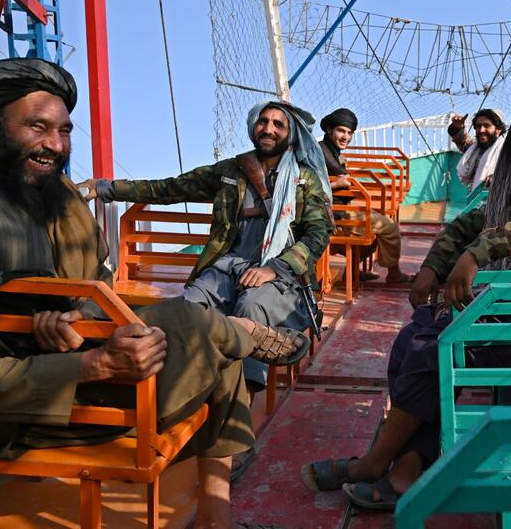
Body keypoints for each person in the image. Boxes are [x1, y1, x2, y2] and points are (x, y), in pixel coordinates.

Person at [0, 58, 309, 528]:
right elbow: (169, 187)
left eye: (63, 130)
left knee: (208, 338)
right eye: (37, 127)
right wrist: (98, 363)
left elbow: (94, 276)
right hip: (29, 404)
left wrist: (73, 317)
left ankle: (215, 515)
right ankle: (245, 333)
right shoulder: (232, 172)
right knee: (201, 325)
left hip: (72, 351)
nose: (55, 145)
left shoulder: (55, 196)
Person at [303, 108, 511, 508]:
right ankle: (405, 470)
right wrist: (433, 265)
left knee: (432, 348)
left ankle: (376, 464)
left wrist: (476, 255)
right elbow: (468, 224)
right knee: (413, 338)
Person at [79, 100, 334, 401]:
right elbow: (170, 188)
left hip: (280, 275)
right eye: (263, 121)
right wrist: (106, 188)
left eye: (278, 124)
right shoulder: (232, 170)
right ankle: (173, 394)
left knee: (252, 308)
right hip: (226, 268)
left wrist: (273, 269)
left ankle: (238, 411)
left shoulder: (304, 179)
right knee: (187, 309)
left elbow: (319, 232)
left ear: (290, 133)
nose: (268, 128)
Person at [319, 107, 412, 283]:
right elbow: (306, 186)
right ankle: (394, 274)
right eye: (341, 131)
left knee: (378, 228)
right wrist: (335, 185)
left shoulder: (330, 151)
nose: (346, 137)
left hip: (339, 210)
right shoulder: (318, 153)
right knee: (390, 228)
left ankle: (352, 273)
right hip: (331, 216)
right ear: (329, 130)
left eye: (350, 132)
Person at [447, 108, 507, 191]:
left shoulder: (507, 150)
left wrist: (498, 176)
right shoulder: (474, 149)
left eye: (486, 126)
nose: (481, 130)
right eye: (478, 126)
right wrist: (456, 127)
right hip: (474, 201)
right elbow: (462, 140)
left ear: (499, 129)